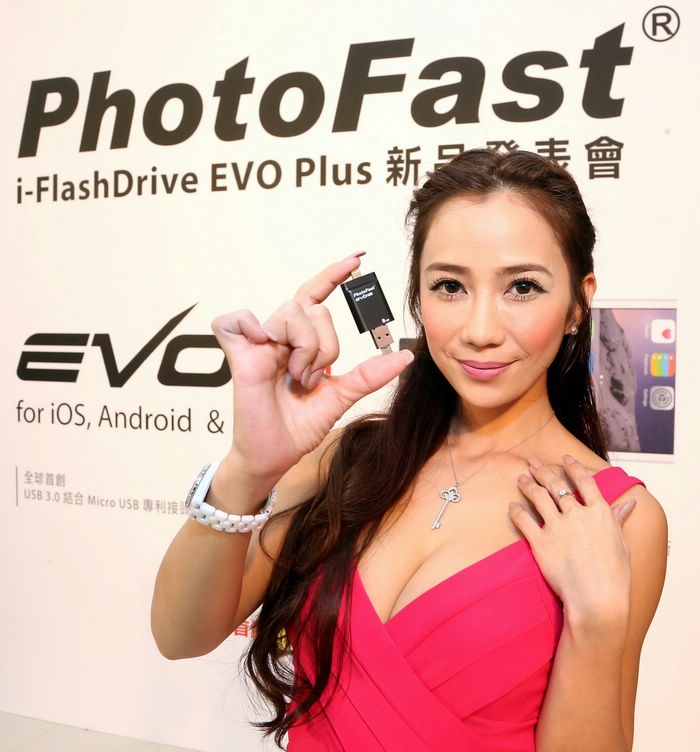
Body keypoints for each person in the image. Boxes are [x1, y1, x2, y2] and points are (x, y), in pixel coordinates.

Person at [151, 149, 667, 751]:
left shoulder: (617, 516)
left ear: (579, 302)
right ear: (418, 298)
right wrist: (247, 469)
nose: (480, 329)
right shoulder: (352, 459)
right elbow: (180, 636)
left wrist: (597, 622)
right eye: (450, 286)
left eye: (522, 287)